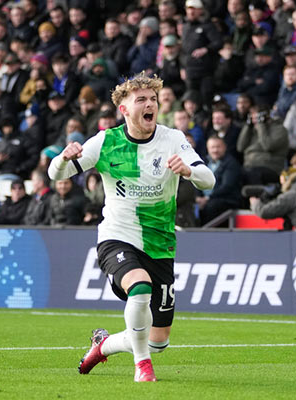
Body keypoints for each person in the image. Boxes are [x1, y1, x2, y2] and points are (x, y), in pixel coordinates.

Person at [48, 73, 216, 382]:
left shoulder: (172, 139)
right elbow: (55, 174)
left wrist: (189, 171)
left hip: (160, 244)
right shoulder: (106, 141)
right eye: (141, 100)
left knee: (158, 341)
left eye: (153, 99)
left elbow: (209, 180)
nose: (149, 104)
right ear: (124, 109)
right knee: (139, 287)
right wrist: (63, 158)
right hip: (117, 236)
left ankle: (103, 345)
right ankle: (143, 367)